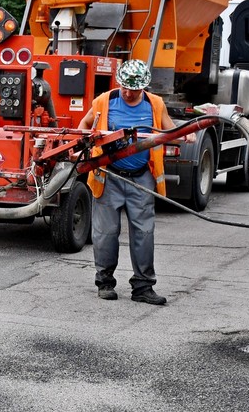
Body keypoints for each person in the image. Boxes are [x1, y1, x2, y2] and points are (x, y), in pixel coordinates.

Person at [77, 59, 184, 305]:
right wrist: (88, 140)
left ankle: (143, 287)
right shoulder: (105, 100)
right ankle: (105, 282)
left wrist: (183, 136)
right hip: (109, 176)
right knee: (106, 234)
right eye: (124, 86)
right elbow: (85, 124)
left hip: (141, 179)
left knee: (144, 234)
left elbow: (172, 131)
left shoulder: (155, 104)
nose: (128, 92)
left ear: (143, 87)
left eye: (133, 89)